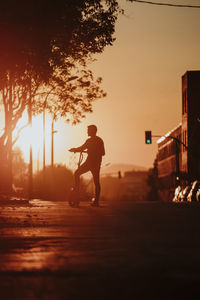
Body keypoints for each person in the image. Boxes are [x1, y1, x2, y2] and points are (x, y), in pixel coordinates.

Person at [69, 125, 105, 206]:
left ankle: (95, 201)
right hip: (90, 163)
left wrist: (92, 151)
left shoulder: (98, 141)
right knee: (78, 174)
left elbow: (102, 153)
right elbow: (82, 148)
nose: (87, 132)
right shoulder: (90, 141)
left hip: (93, 164)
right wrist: (74, 149)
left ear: (93, 131)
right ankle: (78, 196)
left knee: (95, 181)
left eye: (88, 130)